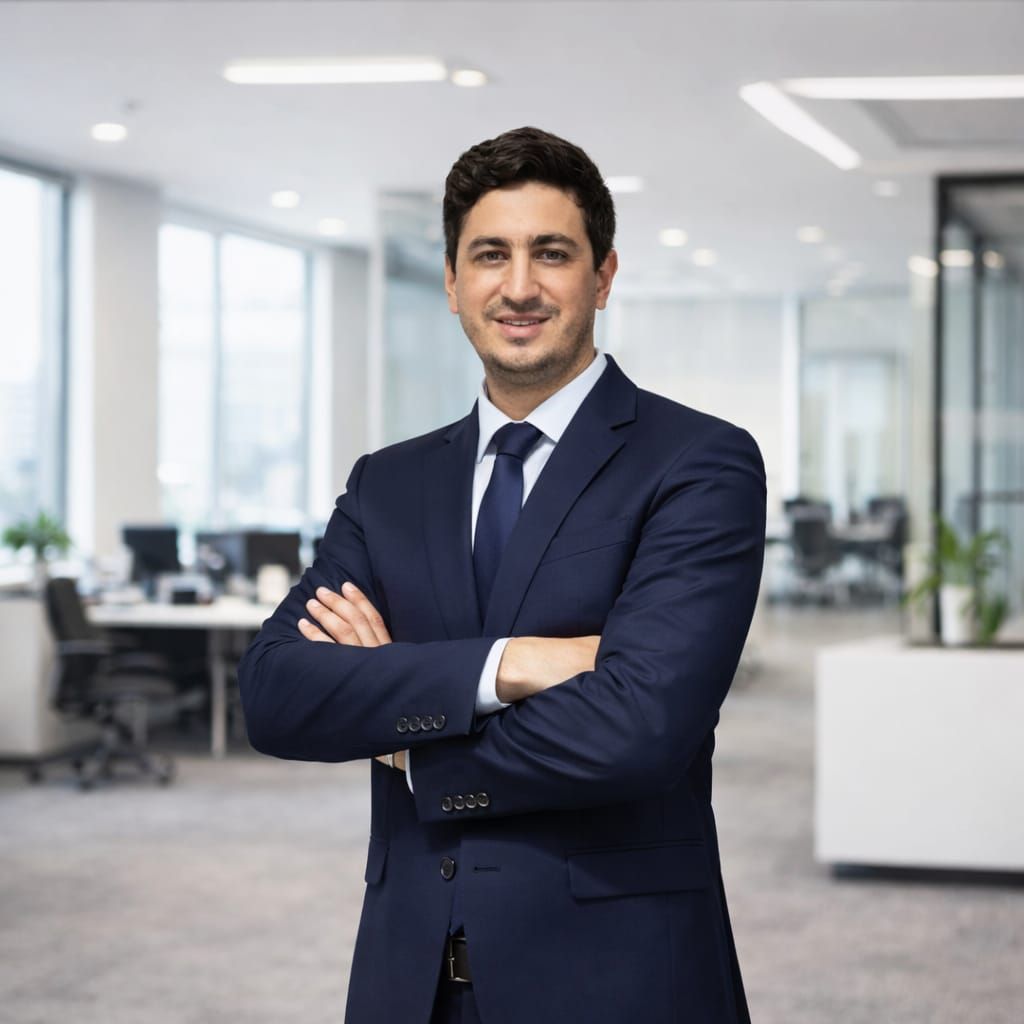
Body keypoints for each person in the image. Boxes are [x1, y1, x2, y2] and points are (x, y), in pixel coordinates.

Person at [238, 126, 765, 1024]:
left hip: (618, 974)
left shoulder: (699, 464)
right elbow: (277, 691)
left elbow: (641, 726)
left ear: (601, 276)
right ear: (452, 282)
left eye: (551, 254)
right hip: (408, 975)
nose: (519, 286)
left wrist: (405, 736)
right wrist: (508, 665)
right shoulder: (389, 483)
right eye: (490, 255)